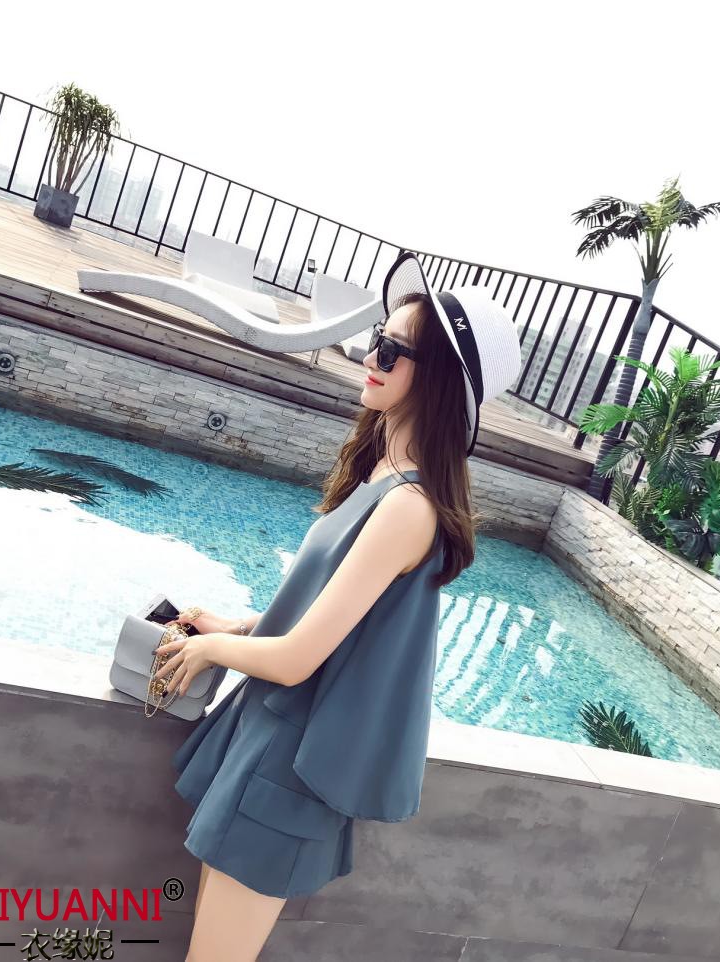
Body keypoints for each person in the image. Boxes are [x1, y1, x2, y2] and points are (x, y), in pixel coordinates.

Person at [152, 249, 522, 961]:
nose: (371, 355)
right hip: (269, 747)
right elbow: (332, 618)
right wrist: (237, 624)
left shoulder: (408, 506)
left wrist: (207, 649)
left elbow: (299, 659)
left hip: (287, 771)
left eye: (394, 350)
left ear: (438, 380)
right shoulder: (382, 473)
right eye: (379, 338)